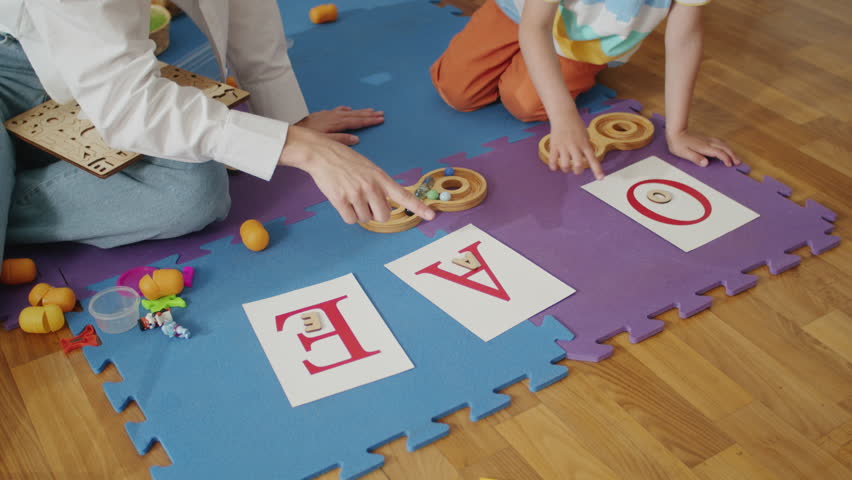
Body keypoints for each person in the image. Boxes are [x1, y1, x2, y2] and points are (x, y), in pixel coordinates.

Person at [0, 0, 433, 271]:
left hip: (87, 67)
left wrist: (287, 116)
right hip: (13, 66)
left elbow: (242, 7)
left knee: (190, 194)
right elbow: (127, 104)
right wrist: (299, 149)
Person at [431, 0, 740, 179]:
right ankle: (528, 63)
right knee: (456, 90)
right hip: (521, 13)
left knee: (525, 104)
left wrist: (678, 130)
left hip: (582, 43)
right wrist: (564, 117)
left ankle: (533, 67)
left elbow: (685, 35)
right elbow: (534, 26)